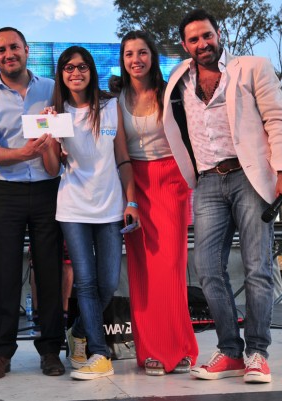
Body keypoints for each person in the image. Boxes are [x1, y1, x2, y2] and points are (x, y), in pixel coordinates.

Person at [162, 9, 282, 384]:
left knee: (258, 268)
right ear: (184, 44)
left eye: (207, 35)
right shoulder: (178, 81)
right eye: (194, 39)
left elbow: (277, 118)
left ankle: (257, 352)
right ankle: (230, 350)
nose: (202, 44)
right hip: (207, 183)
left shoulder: (252, 67)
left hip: (249, 176)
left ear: (218, 33)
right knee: (207, 269)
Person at [0, 26, 65, 380]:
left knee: (50, 274)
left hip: (48, 190)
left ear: (27, 50)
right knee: (4, 274)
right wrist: (23, 153)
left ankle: (52, 350)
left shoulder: (51, 89)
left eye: (14, 47)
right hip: (6, 192)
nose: (8, 54)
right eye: (1, 50)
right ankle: (1, 353)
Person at [45, 46, 138, 380]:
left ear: (91, 71)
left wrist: (131, 201)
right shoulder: (55, 114)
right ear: (62, 74)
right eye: (68, 68)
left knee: (108, 282)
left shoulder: (111, 107)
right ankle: (99, 353)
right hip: (72, 207)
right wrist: (49, 142)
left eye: (82, 66)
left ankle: (79, 331)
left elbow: (123, 159)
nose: (75, 72)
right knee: (85, 281)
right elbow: (53, 167)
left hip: (111, 207)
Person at [118, 30, 199, 376]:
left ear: (152, 56)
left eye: (142, 52)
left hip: (171, 181)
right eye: (128, 54)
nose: (135, 59)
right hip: (134, 184)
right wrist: (129, 198)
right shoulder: (114, 100)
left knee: (170, 267)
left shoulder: (172, 93)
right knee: (141, 270)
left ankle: (179, 348)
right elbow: (118, 152)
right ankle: (150, 351)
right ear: (123, 61)